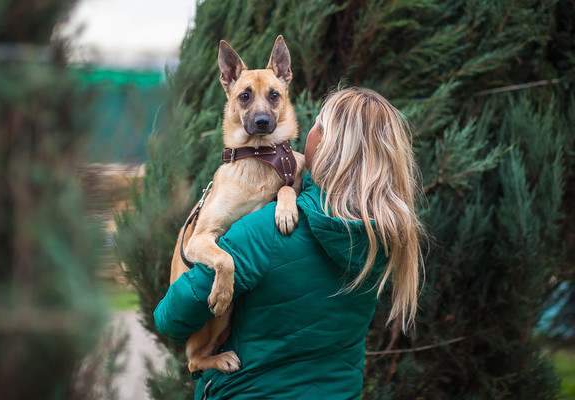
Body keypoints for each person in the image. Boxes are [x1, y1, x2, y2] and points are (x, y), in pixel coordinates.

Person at [154, 87, 424, 400]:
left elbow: (170, 319)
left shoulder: (266, 230)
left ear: (324, 143)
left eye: (318, 124)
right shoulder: (386, 240)